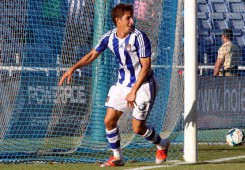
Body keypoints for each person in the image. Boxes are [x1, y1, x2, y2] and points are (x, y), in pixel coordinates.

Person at [58, 3, 170, 167]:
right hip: (122, 84)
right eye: (128, 18)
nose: (132, 21)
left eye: (132, 17)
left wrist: (134, 91)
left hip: (144, 84)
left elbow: (146, 66)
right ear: (118, 20)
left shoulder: (139, 37)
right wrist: (73, 68)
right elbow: (92, 55)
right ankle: (117, 157)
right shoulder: (108, 37)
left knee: (137, 128)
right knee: (109, 120)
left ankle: (162, 144)